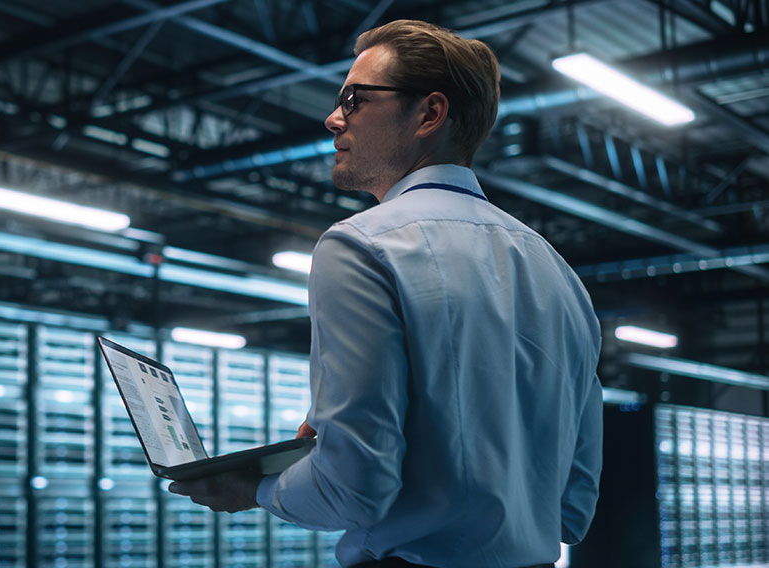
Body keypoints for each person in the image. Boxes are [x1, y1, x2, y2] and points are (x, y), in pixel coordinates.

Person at [168, 19, 603, 568]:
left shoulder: (362, 246)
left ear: (429, 114)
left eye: (354, 99)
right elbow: (573, 510)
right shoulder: (559, 272)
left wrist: (253, 489)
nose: (333, 118)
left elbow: (355, 488)